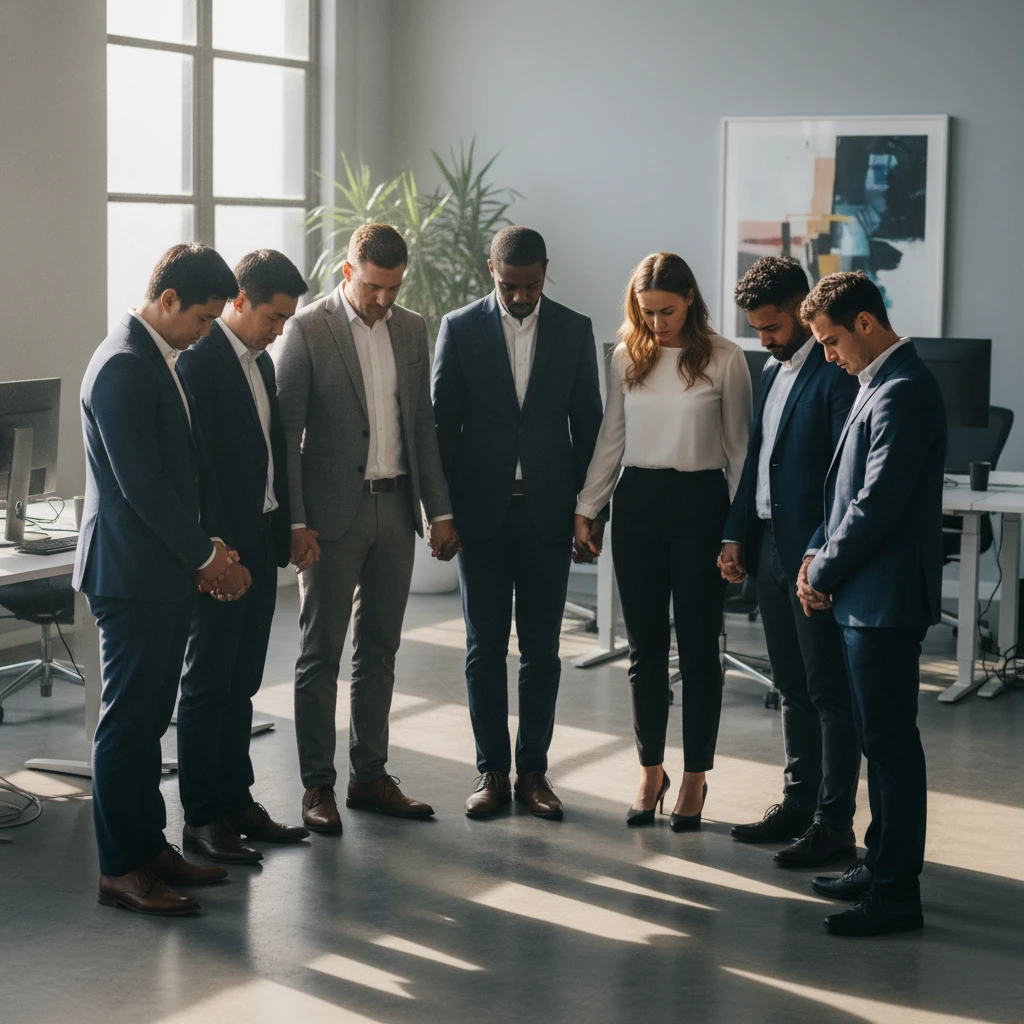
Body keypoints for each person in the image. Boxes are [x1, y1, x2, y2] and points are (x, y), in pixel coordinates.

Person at [74, 243, 251, 915]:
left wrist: (201, 549)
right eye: (203, 318)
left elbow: (170, 476)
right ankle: (121, 868)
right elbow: (141, 485)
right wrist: (205, 557)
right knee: (126, 727)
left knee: (148, 722)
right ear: (168, 299)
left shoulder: (154, 355)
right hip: (131, 576)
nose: (206, 333)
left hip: (158, 572)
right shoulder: (123, 363)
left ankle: (148, 847)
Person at [274, 223, 457, 833]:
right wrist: (295, 521)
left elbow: (424, 425)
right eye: (376, 287)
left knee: (380, 650)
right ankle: (316, 786)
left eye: (395, 287)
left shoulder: (410, 328)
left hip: (395, 507)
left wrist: (440, 510)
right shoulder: (306, 329)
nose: (385, 300)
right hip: (329, 519)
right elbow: (287, 438)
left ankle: (370, 776)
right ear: (349, 272)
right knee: (320, 652)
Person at [432, 226, 604, 820]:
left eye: (532, 286)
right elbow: (440, 429)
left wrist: (590, 512)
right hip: (479, 515)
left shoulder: (575, 329)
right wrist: (441, 513)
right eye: (511, 285)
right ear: (491, 271)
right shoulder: (457, 328)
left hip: (549, 515)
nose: (522, 296)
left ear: (545, 272)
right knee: (483, 650)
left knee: (541, 651)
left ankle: (534, 772)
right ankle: (492, 773)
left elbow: (590, 427)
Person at [575, 253, 751, 831]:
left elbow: (739, 454)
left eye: (667, 311)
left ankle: (696, 777)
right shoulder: (629, 355)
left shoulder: (725, 359)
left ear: (691, 300)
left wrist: (737, 532)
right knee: (645, 650)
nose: (657, 323)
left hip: (702, 506)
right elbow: (611, 440)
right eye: (646, 312)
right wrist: (588, 507)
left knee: (700, 650)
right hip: (639, 506)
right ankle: (652, 770)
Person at [796, 271, 945, 937]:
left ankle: (895, 894)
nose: (828, 356)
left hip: (883, 602)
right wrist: (813, 557)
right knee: (876, 737)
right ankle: (879, 861)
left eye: (830, 342)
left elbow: (877, 503)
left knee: (888, 745)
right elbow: (843, 494)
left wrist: (822, 568)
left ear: (863, 323)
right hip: (862, 596)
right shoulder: (876, 384)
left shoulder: (904, 389)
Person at [721, 257, 862, 867]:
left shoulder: (836, 376)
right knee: (791, 687)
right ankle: (798, 803)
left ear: (804, 308)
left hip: (811, 553)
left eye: (773, 326)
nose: (765, 340)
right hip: (771, 549)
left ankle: (834, 823)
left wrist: (820, 558)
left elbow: (842, 482)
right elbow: (758, 461)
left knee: (829, 691)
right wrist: (735, 535)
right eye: (756, 329)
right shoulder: (775, 373)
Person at [175, 250, 311, 863]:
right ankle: (202, 819)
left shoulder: (262, 365)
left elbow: (272, 452)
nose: (280, 329)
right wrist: (213, 554)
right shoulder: (201, 363)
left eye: (287, 319)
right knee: (208, 685)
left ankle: (237, 802)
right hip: (219, 549)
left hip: (257, 536)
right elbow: (195, 471)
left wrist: (284, 529)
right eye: (274, 317)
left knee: (243, 681)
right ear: (239, 301)